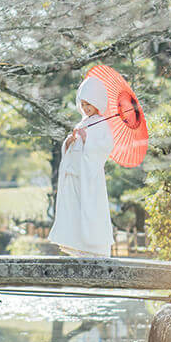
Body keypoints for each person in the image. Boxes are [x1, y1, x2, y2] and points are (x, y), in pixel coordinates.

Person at [48, 75, 114, 257]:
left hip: (89, 178)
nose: (85, 108)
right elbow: (74, 150)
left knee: (89, 210)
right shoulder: (83, 122)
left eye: (89, 104)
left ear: (97, 103)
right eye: (83, 104)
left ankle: (93, 248)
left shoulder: (102, 124)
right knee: (73, 209)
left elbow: (105, 148)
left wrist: (87, 140)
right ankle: (76, 245)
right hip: (75, 174)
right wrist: (68, 144)